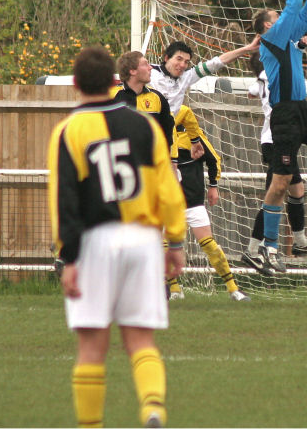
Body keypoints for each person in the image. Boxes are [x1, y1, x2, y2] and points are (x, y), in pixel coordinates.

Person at [49, 46, 187, 428]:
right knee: (141, 340)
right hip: (143, 240)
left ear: (75, 83)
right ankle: (153, 408)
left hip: (95, 244)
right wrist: (174, 241)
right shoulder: (142, 125)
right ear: (113, 80)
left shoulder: (68, 131)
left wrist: (69, 258)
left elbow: (64, 201)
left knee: (92, 347)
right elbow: (167, 189)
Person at [246, 0, 307, 275]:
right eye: (275, 16)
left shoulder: (289, 37)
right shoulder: (273, 38)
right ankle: (267, 249)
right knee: (281, 184)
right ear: (269, 26)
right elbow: (292, 5)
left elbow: (304, 13)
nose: (281, 16)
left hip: (303, 111)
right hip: (283, 118)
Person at [244, 40, 307, 269]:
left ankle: (299, 242)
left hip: (282, 139)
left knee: (297, 189)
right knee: (275, 194)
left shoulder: (262, 80)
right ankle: (253, 249)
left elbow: (251, 92)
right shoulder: (271, 74)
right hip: (275, 140)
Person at [166, 104, 249, 301]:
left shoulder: (192, 136)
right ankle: (175, 290)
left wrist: (213, 186)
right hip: (167, 202)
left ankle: (232, 288)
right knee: (164, 246)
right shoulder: (157, 135)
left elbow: (213, 159)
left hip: (192, 200)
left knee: (209, 244)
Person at [149, 37, 260, 117]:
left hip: (168, 133)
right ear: (167, 58)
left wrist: (247, 48)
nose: (182, 65)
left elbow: (216, 63)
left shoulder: (186, 77)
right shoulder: (150, 72)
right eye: (179, 59)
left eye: (186, 62)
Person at [114, 51, 175, 151]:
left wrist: (172, 158)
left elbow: (168, 133)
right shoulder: (112, 96)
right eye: (145, 64)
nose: (150, 67)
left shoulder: (158, 98)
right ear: (132, 71)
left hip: (151, 164)